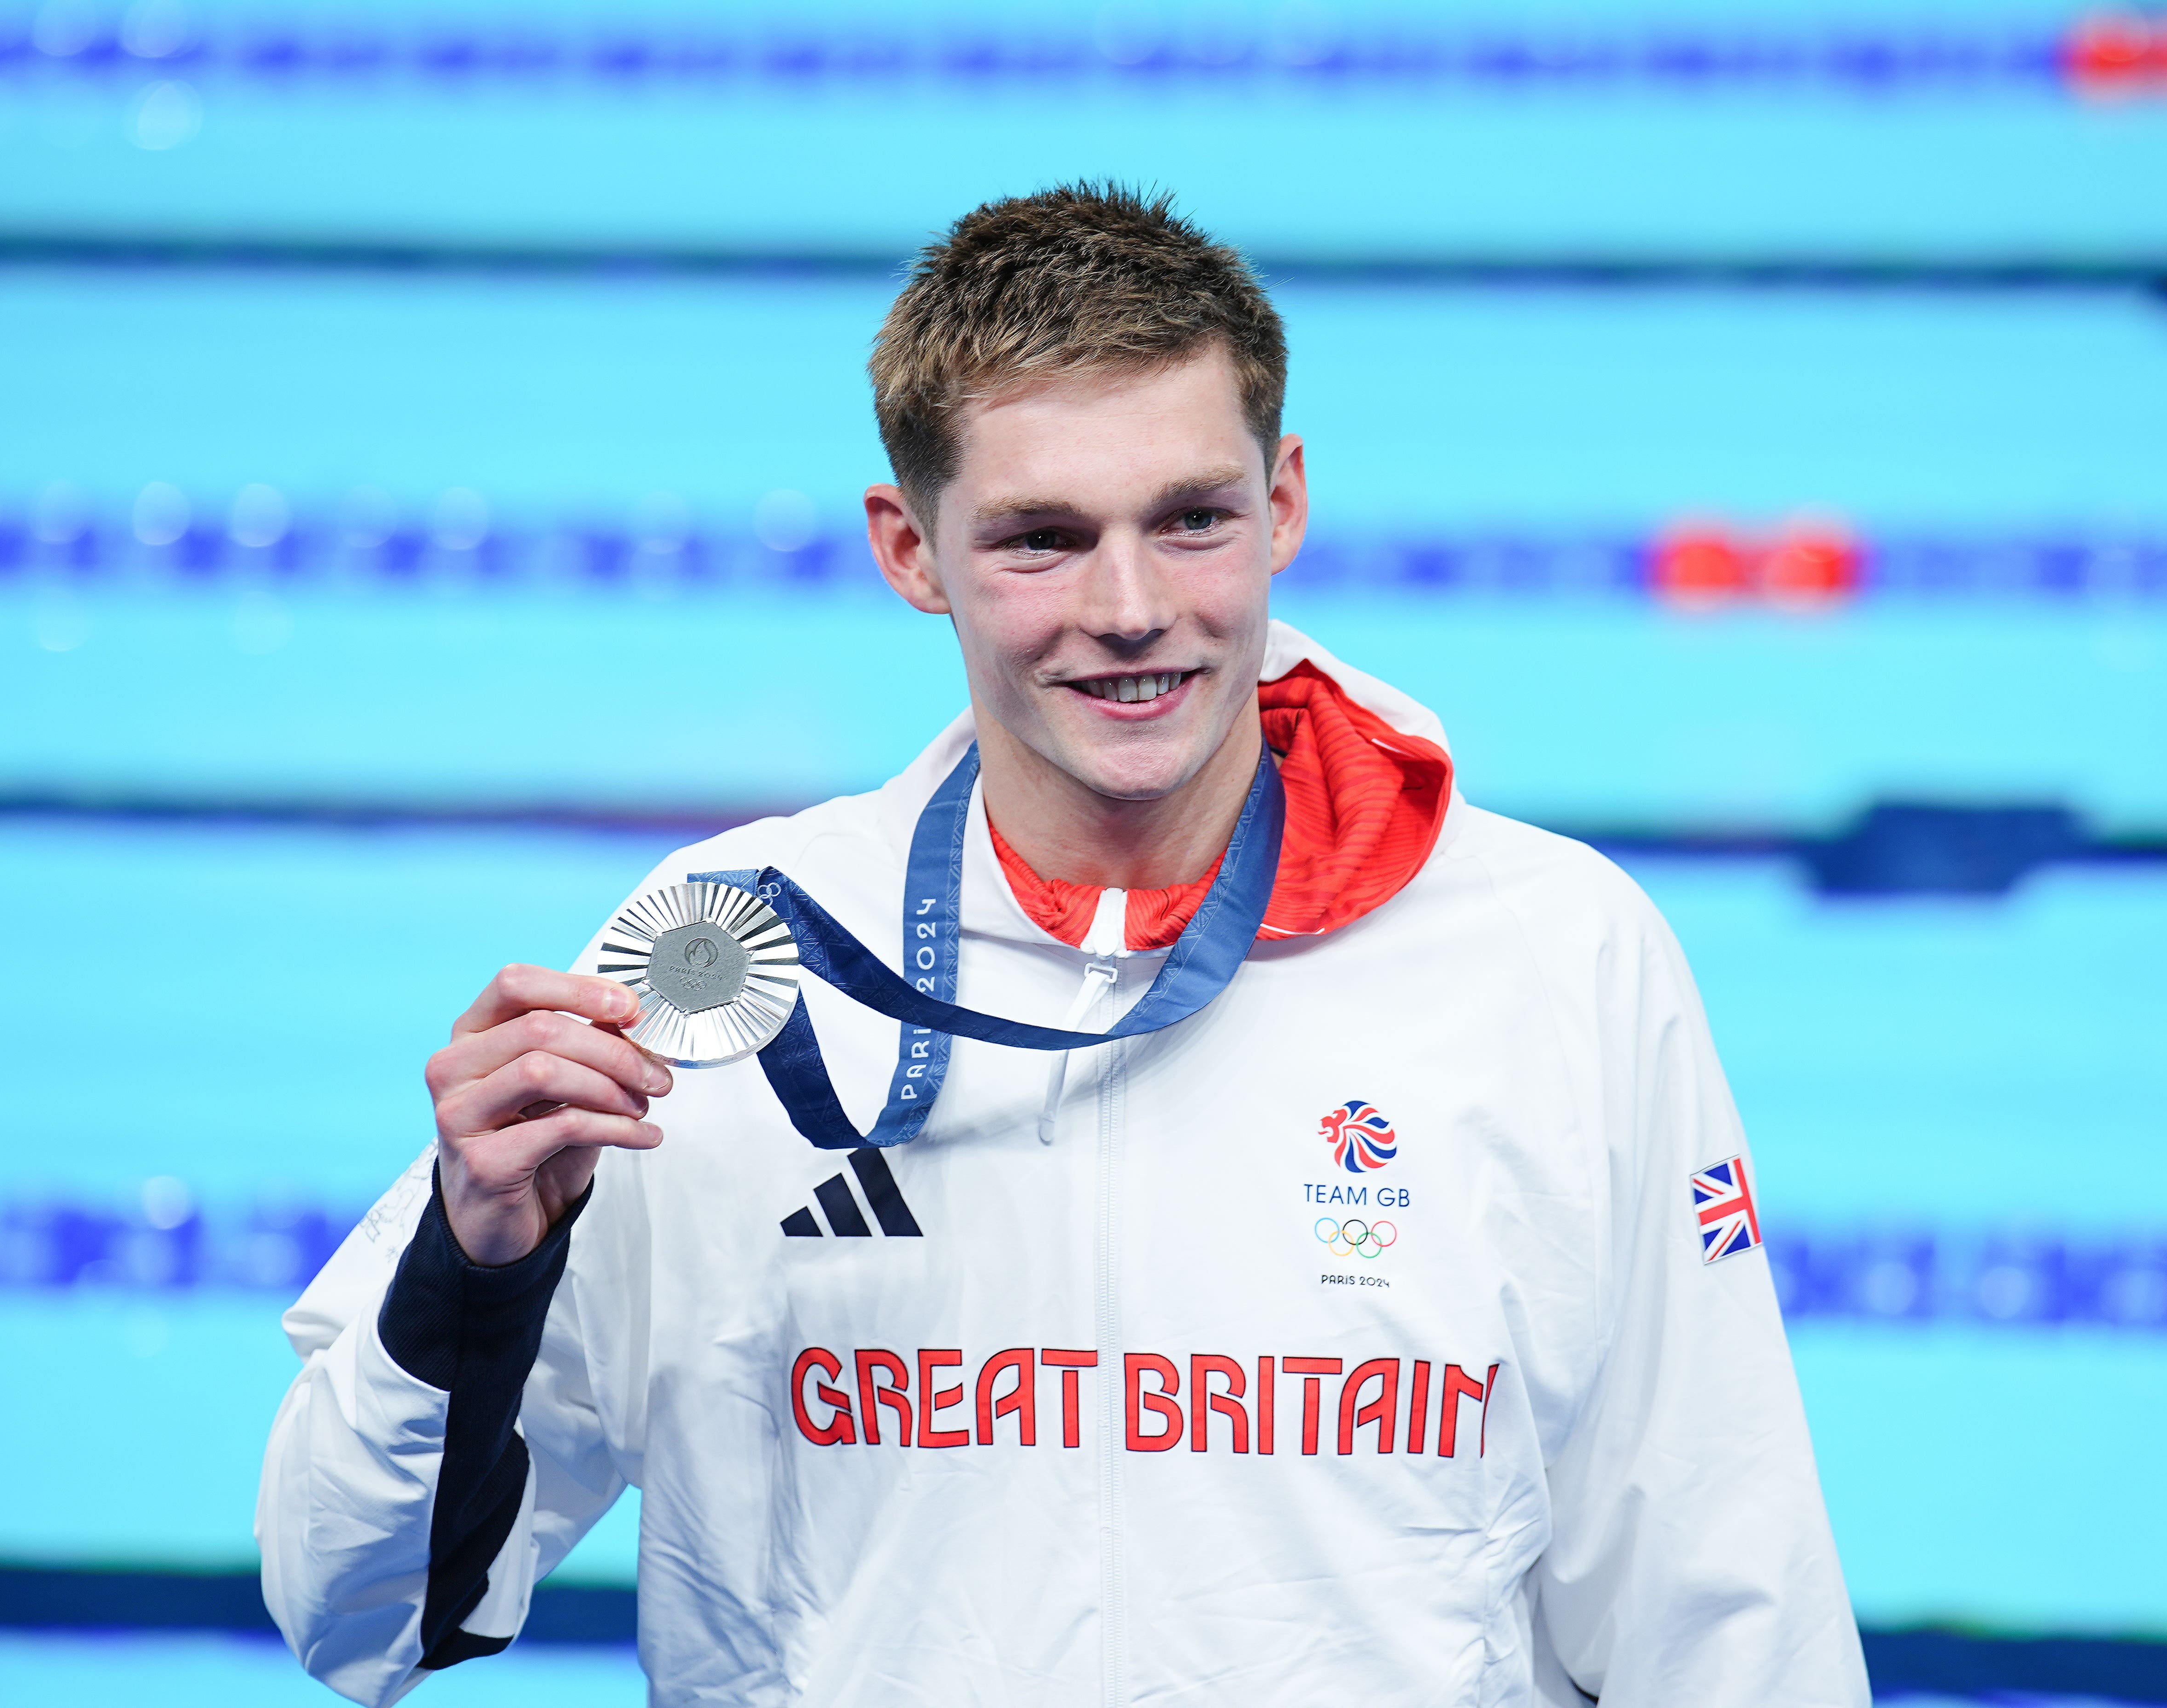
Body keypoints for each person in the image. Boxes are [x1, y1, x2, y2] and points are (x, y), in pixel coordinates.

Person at [258, 181, 1866, 1707]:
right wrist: (480, 1266)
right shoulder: (730, 967)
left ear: (1284, 502)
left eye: (1191, 520)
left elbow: (1728, 1607)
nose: (1130, 604)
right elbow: (362, 1615)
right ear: (911, 550)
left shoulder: (1549, 953)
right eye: (1041, 538)